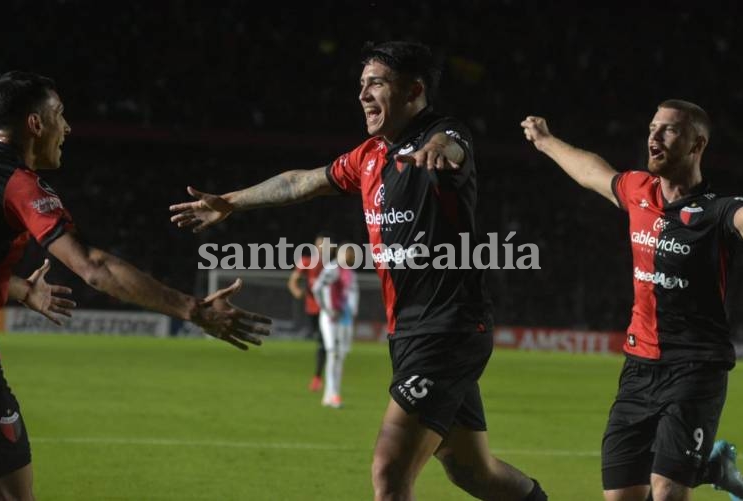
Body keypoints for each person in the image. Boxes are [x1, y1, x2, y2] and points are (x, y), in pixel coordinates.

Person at [171, 40, 548, 501]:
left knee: (389, 475)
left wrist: (437, 149)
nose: (363, 95)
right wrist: (230, 202)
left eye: (377, 84)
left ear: (414, 90)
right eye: (362, 84)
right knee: (472, 471)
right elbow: (301, 181)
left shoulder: (443, 133)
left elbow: (453, 146)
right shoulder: (369, 156)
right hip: (410, 332)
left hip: (447, 331)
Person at [0, 70, 272, 500]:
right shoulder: (16, 181)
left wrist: (19, 290)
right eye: (60, 116)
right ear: (35, 124)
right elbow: (93, 267)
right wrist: (192, 310)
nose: (66, 128)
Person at [521, 101, 743, 501]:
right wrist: (545, 142)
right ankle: (710, 465)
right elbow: (593, 172)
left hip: (695, 369)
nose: (653, 137)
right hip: (639, 370)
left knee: (666, 491)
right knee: (621, 496)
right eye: (652, 128)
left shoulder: (718, 212)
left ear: (697, 144)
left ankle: (699, 466)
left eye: (668, 130)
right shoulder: (638, 190)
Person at [311, 243, 359, 408]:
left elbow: (352, 293)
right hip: (331, 317)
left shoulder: (349, 272)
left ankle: (330, 395)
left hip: (344, 317)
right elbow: (317, 287)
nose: (352, 257)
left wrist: (351, 311)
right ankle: (333, 394)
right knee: (332, 352)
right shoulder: (332, 269)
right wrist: (326, 308)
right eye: (349, 254)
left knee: (340, 355)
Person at [286, 232, 335, 392]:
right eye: (320, 245)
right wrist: (297, 291)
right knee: (322, 341)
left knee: (324, 343)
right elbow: (293, 280)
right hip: (312, 309)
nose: (322, 248)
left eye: (325, 245)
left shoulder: (334, 265)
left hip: (329, 311)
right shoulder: (307, 262)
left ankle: (318, 377)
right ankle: (323, 373)